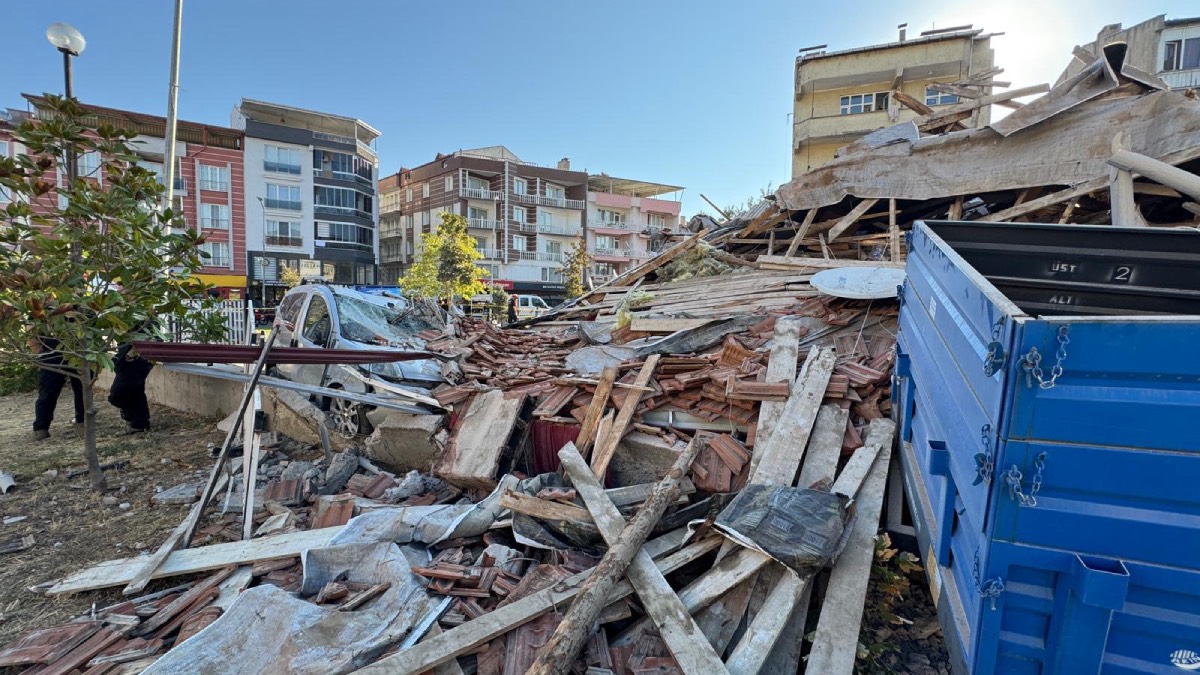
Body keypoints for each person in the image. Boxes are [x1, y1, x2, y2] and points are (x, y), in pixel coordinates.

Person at [32, 337, 84, 441]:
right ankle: (41, 428)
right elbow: (31, 331)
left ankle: (83, 422)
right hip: (50, 353)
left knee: (82, 390)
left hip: (79, 351)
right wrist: (40, 352)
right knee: (47, 392)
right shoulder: (41, 319)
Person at [108, 342, 154, 434]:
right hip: (125, 356)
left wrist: (133, 354)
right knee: (135, 392)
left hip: (137, 357)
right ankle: (139, 423)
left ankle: (135, 420)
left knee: (117, 395)